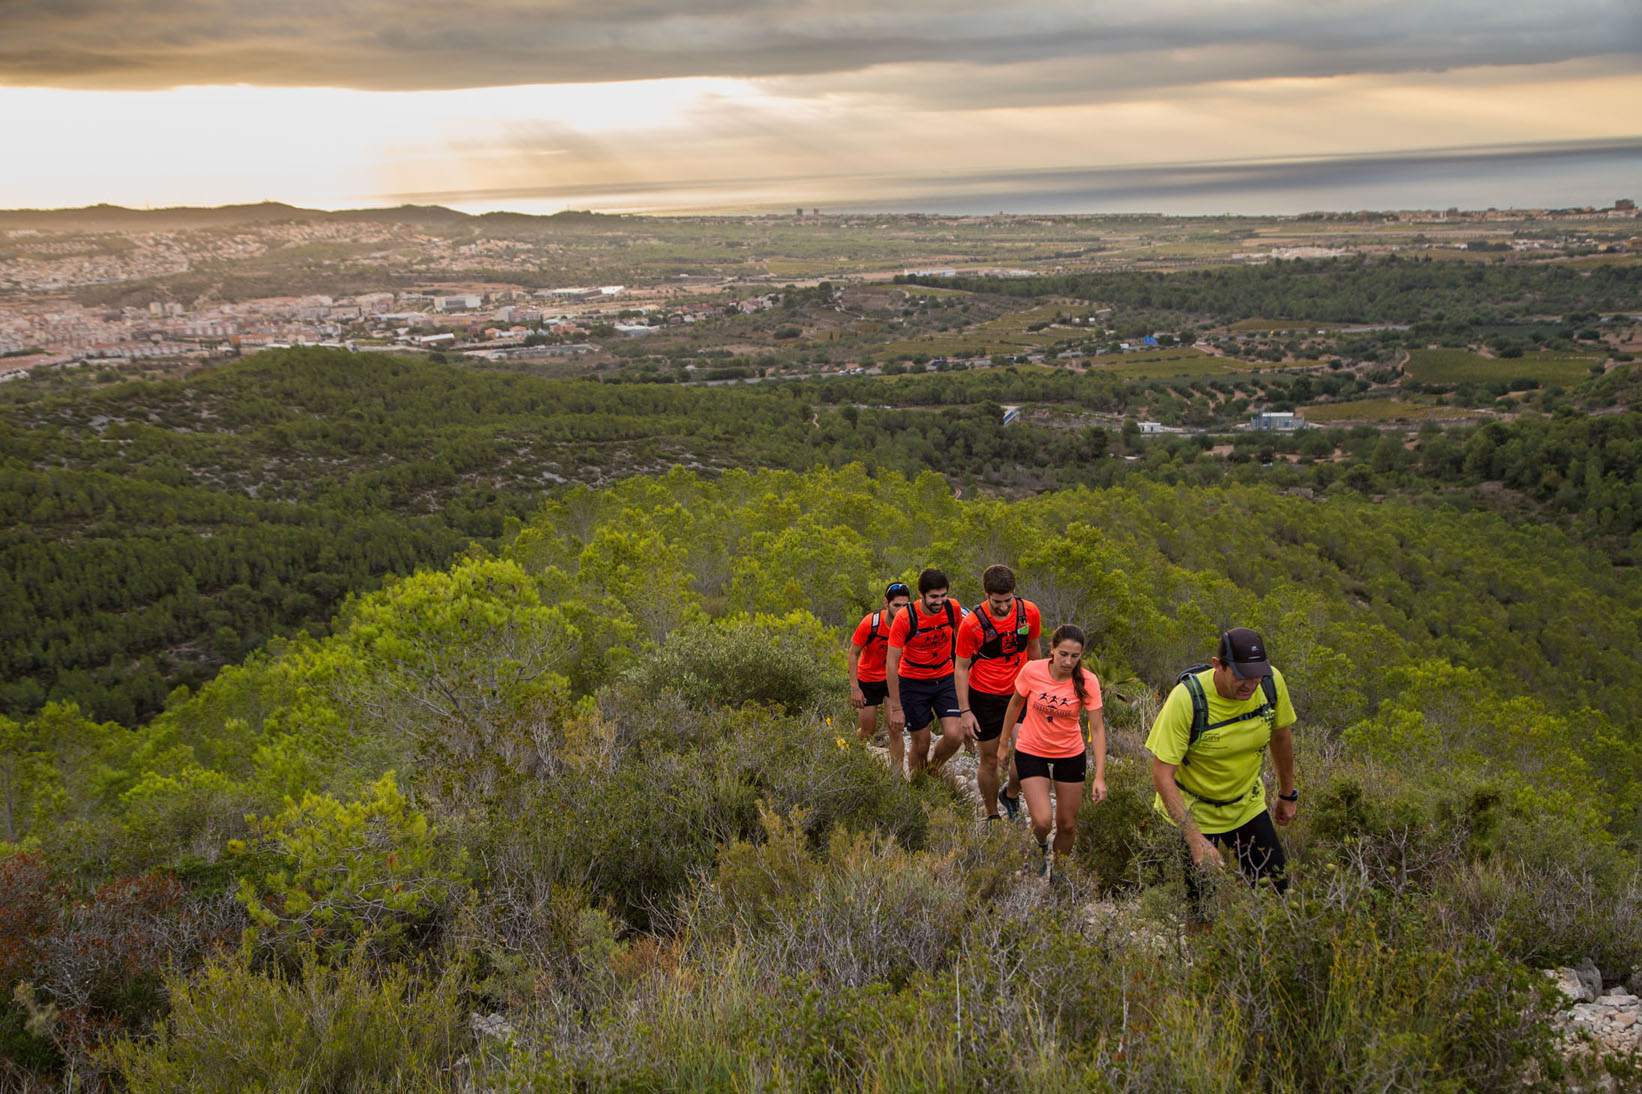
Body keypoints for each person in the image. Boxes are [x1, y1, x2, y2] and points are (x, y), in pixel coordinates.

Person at [1145, 627, 1297, 927]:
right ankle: (1200, 955)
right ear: (1218, 665)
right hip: (1194, 810)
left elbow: (1280, 737)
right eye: (1242, 675)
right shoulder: (1187, 700)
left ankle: (1263, 952)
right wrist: (1194, 838)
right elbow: (1162, 775)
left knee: (1276, 892)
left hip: (1246, 804)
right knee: (1202, 907)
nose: (1251, 684)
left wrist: (1287, 793)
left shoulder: (1270, 684)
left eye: (1257, 675)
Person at [1001, 624, 1106, 877]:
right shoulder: (1032, 670)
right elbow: (1015, 704)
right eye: (1063, 654)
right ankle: (1039, 844)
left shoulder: (1088, 681)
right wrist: (1004, 743)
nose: (1068, 661)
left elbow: (1097, 728)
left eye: (1075, 656)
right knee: (1042, 821)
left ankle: (1059, 875)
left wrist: (1100, 776)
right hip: (1031, 748)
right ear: (1052, 649)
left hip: (1069, 753)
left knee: (1067, 825)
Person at [955, 564, 1042, 821]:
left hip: (1020, 692)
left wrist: (1039, 688)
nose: (1003, 607)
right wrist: (965, 711)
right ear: (986, 594)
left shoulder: (1029, 612)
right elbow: (961, 668)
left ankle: (1011, 793)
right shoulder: (972, 624)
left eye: (1007, 600)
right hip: (985, 697)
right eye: (997, 602)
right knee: (990, 759)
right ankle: (992, 814)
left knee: (1027, 752)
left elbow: (1034, 650)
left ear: (1014, 591)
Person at [885, 568, 966, 778]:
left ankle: (932, 770)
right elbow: (891, 663)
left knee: (955, 735)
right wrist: (896, 708)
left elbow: (963, 642)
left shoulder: (952, 608)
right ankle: (919, 785)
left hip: (945, 677)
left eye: (943, 595)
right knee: (921, 744)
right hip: (913, 682)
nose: (939, 601)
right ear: (921, 594)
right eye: (933, 597)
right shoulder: (905, 618)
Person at [848, 582, 913, 766]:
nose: (901, 610)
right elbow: (853, 654)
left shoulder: (910, 624)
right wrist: (855, 688)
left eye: (905, 606)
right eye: (896, 605)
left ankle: (896, 775)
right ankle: (853, 759)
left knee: (895, 728)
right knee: (868, 729)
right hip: (868, 679)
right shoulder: (871, 623)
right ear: (886, 603)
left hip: (894, 679)